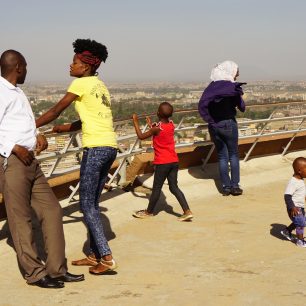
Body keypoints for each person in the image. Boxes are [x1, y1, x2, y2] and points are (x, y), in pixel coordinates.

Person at [0, 50, 84, 288]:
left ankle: (57, 269)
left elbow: (20, 123)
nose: (27, 70)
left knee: (52, 211)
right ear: (18, 67)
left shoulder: (17, 92)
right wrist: (14, 148)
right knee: (20, 219)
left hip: (30, 160)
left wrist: (36, 135)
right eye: (25, 66)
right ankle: (35, 273)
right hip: (11, 162)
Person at [35, 39, 118, 275]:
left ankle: (107, 256)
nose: (70, 66)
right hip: (109, 147)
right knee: (93, 203)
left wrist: (30, 124)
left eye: (74, 63)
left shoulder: (80, 84)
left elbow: (55, 109)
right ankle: (93, 254)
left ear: (85, 67)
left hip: (95, 149)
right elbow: (89, 119)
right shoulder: (100, 86)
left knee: (86, 205)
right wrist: (63, 128)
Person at [132, 102, 193, 221]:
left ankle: (148, 212)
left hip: (162, 162)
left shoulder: (156, 129)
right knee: (174, 187)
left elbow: (141, 136)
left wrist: (135, 121)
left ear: (158, 113)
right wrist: (151, 125)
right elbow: (160, 132)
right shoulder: (171, 125)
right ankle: (187, 211)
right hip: (173, 161)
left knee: (156, 188)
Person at [198, 60, 246, 196]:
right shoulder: (231, 88)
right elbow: (242, 107)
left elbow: (202, 104)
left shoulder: (211, 87)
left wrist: (210, 121)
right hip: (229, 124)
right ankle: (235, 186)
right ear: (230, 71)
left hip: (214, 126)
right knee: (233, 155)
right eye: (236, 72)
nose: (237, 75)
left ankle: (225, 187)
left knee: (222, 156)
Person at [281, 157, 306, 247]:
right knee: (300, 224)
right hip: (295, 208)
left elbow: (301, 193)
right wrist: (292, 207)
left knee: (301, 222)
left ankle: (286, 231)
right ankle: (300, 241)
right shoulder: (293, 182)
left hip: (300, 207)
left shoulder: (300, 181)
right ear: (299, 170)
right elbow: (287, 196)